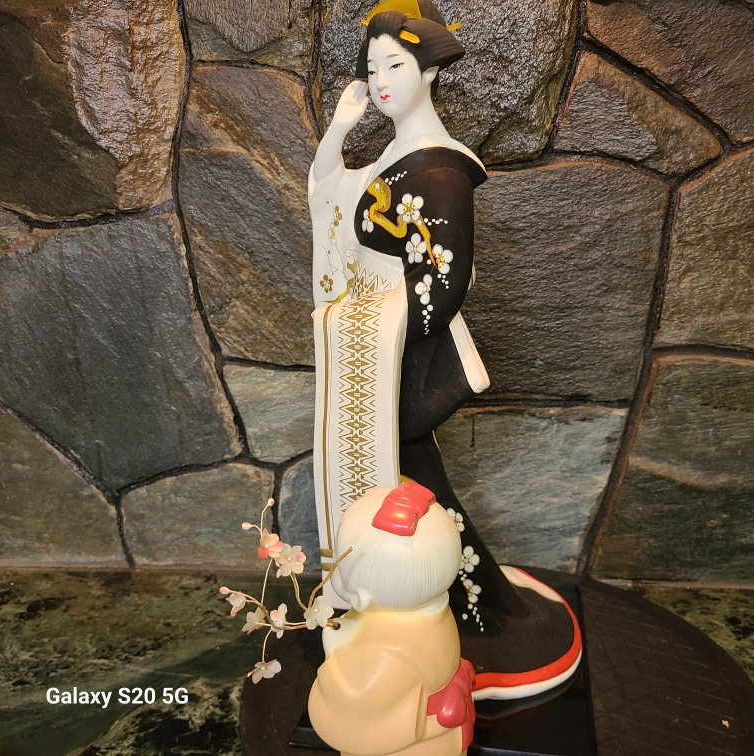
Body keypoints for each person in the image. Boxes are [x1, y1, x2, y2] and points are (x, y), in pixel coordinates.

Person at [309, 0, 581, 701]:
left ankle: (475, 605)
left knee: (415, 483)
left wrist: (372, 322)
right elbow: (331, 197)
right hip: (382, 350)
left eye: (395, 65)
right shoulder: (394, 158)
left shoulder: (438, 171)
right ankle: (457, 596)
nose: (380, 82)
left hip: (402, 354)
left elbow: (443, 284)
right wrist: (338, 131)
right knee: (412, 484)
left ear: (429, 69)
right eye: (372, 69)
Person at [309, 482, 475, 756]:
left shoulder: (388, 655)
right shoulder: (431, 608)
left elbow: (356, 698)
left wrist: (335, 649)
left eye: (338, 561)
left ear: (361, 596)